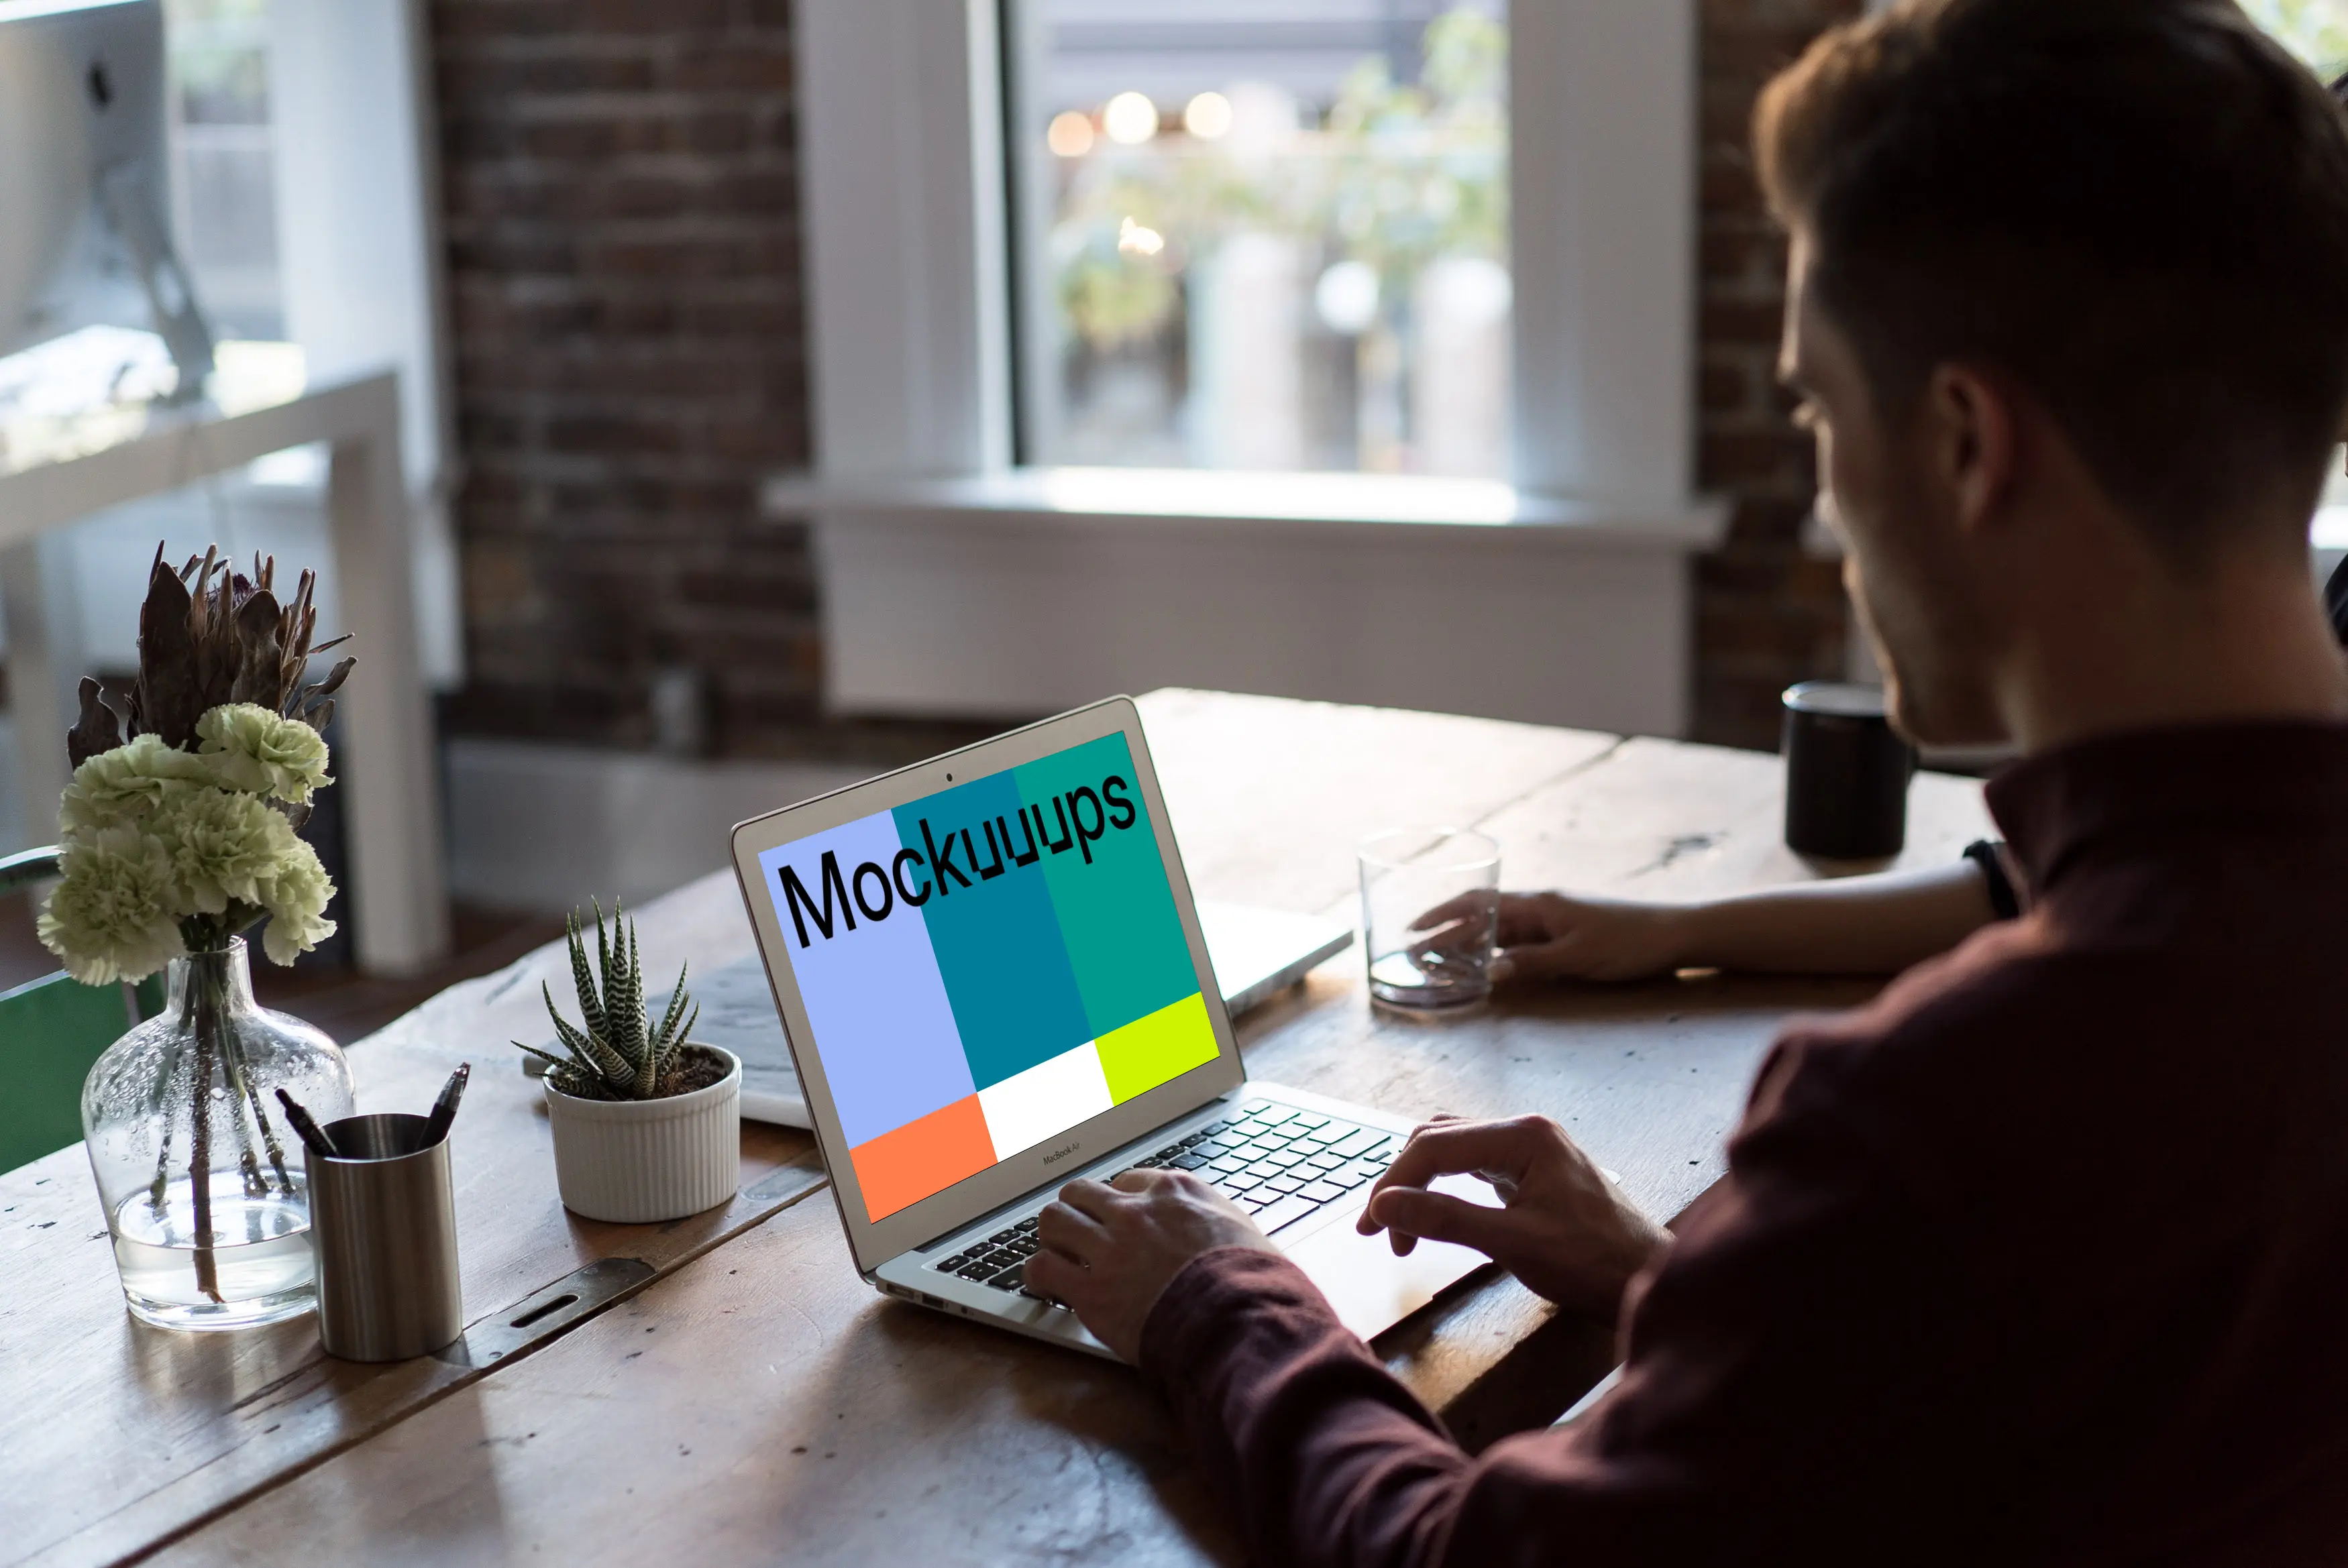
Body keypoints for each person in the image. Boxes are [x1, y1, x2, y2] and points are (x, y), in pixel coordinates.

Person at [1022, 1, 2348, 1561]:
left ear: (1964, 444)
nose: (1824, 509)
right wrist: (1706, 1292)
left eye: (1819, 408)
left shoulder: (1945, 1119)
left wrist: (1217, 1296)